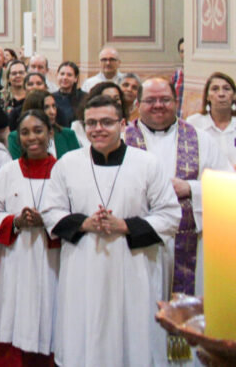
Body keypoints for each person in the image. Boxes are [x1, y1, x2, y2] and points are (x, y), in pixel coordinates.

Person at [41, 94, 181, 367]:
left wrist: (125, 225)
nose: (98, 129)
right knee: (84, 335)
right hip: (83, 268)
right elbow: (50, 211)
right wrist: (85, 223)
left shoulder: (147, 163)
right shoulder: (68, 164)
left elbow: (170, 215)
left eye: (106, 122)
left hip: (132, 268)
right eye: (91, 123)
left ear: (124, 124)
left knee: (132, 340)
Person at [124, 77, 231, 301]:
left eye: (165, 99)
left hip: (189, 243)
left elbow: (228, 185)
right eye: (151, 100)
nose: (158, 105)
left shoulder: (201, 140)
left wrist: (191, 188)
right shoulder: (122, 141)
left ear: (176, 102)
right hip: (138, 242)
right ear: (138, 104)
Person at [0, 110, 59, 366]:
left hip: (52, 264)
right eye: (24, 132)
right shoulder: (7, 172)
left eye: (38, 130)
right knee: (13, 322)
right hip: (15, 261)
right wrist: (14, 221)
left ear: (50, 132)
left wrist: (46, 221)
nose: (31, 137)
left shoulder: (64, 172)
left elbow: (75, 217)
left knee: (50, 321)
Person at [7, 90, 81, 160]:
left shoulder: (68, 134)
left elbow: (77, 164)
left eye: (54, 106)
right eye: (46, 107)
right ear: (33, 110)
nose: (52, 112)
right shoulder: (15, 138)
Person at [186, 72, 236, 166]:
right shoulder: (194, 123)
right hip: (205, 178)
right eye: (215, 89)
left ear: (234, 96)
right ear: (208, 96)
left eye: (227, 89)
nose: (221, 94)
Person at [52, 61, 85, 127]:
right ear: (57, 75)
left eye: (69, 75)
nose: (65, 78)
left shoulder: (84, 97)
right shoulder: (51, 97)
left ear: (75, 78)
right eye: (62, 74)